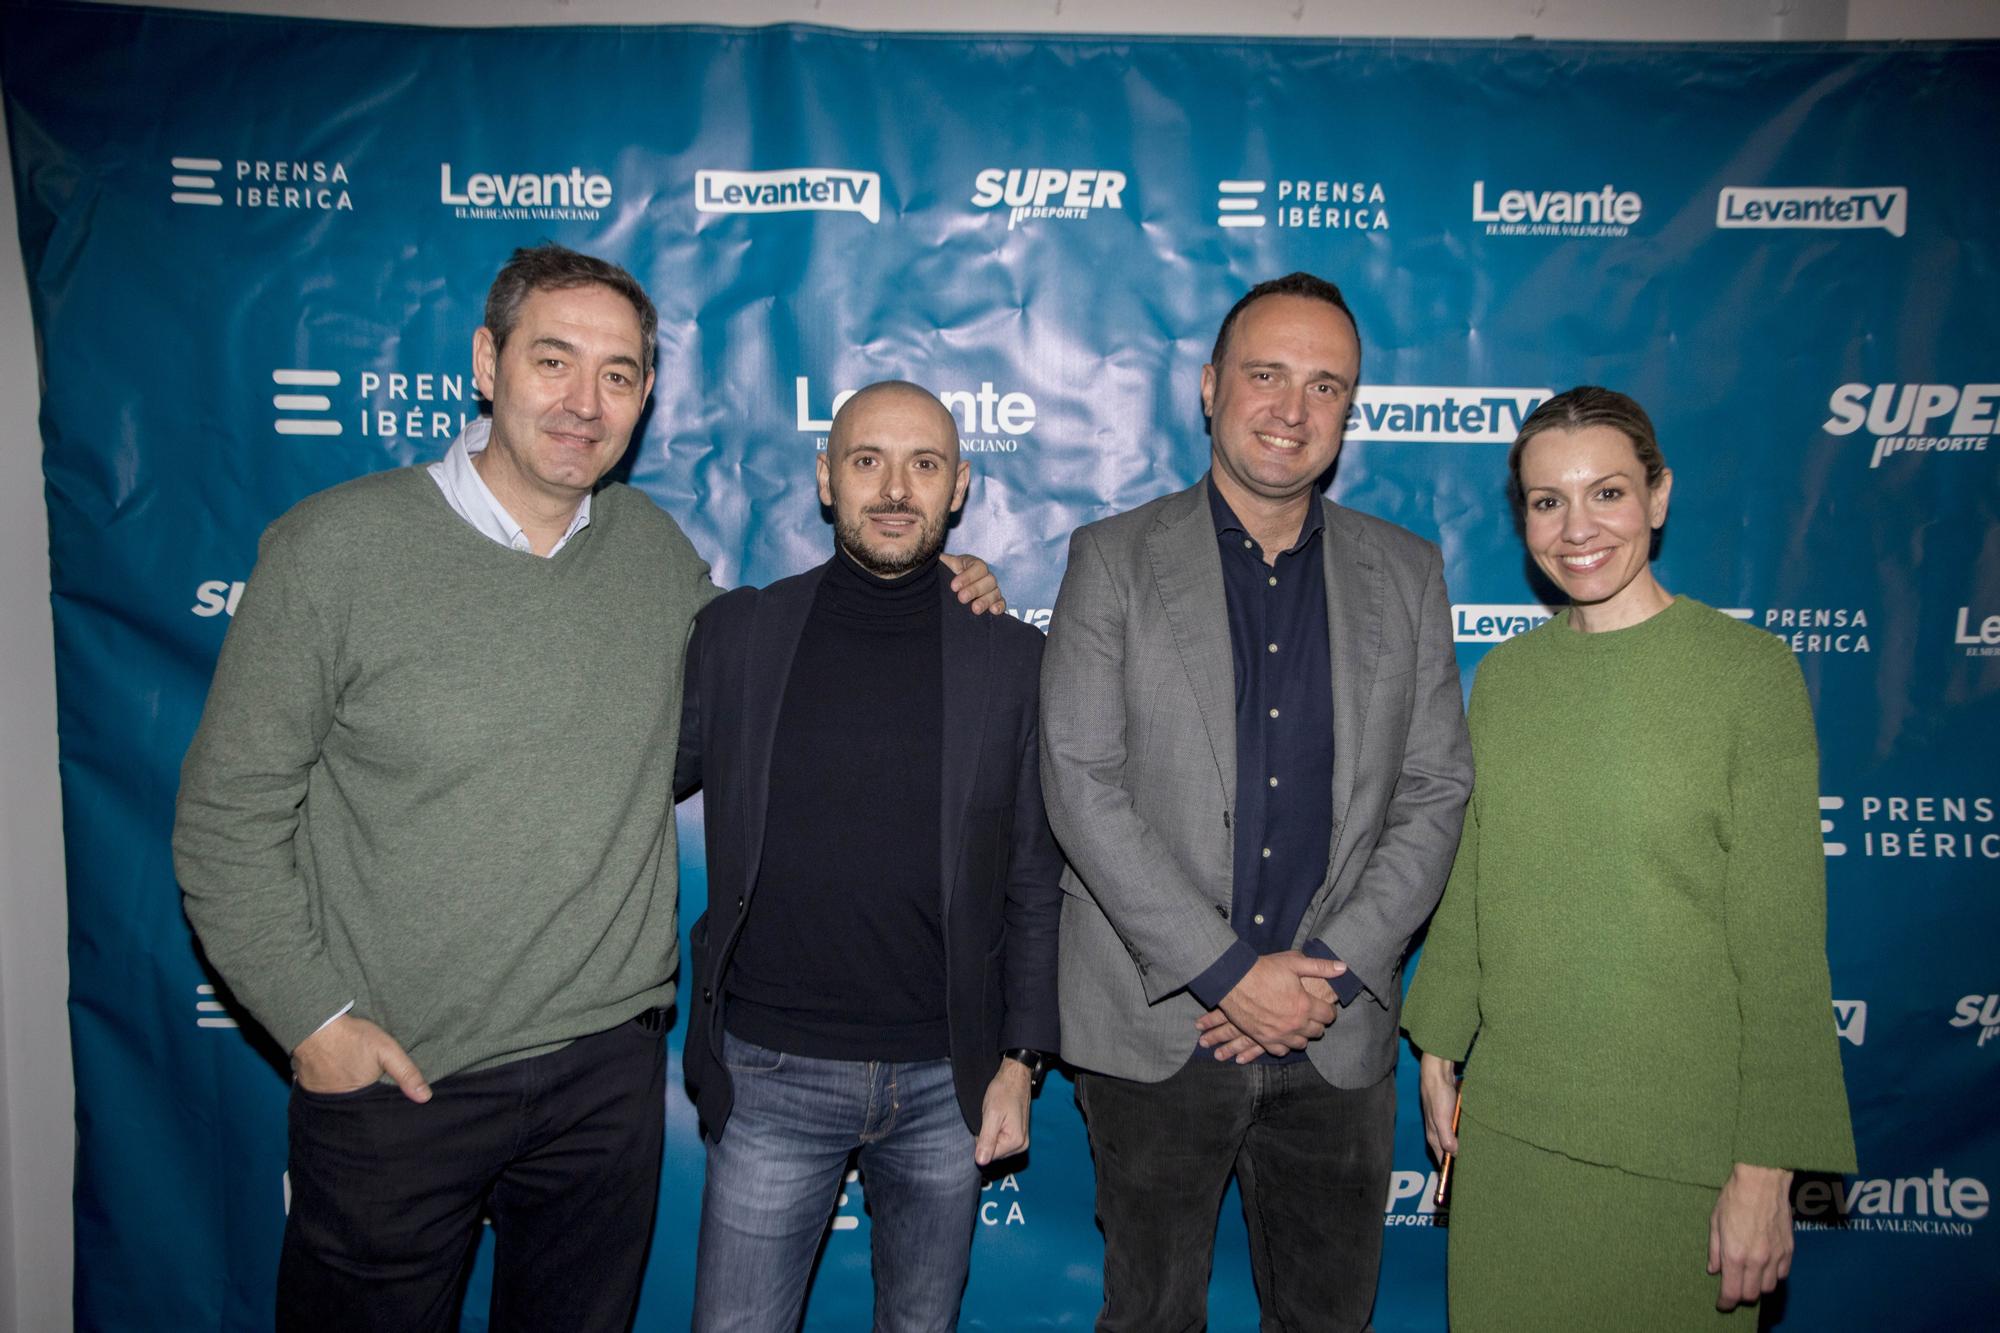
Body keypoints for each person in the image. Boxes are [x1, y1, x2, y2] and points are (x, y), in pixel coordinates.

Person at [171, 246, 1001, 1333]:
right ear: (486, 360)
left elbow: (766, 712)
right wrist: (317, 1022)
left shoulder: (656, 558)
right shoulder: (335, 549)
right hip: (398, 1076)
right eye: (553, 360)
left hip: (603, 1082)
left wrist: (934, 592)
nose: (582, 401)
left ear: (646, 396)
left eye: (617, 374)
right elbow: (225, 819)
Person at [1039, 272, 1473, 1331]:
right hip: (1160, 1028)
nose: (1291, 409)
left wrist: (1315, 976)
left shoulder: (1407, 572)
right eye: (1265, 375)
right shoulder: (1113, 558)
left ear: (1348, 410)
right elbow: (1079, 783)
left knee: (1326, 1318)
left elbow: (1432, 788)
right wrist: (1229, 974)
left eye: (1325, 386)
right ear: (1206, 386)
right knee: (1151, 1316)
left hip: (1335, 1030)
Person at [1402, 385, 1856, 1329]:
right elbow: (1476, 881)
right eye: (1546, 500)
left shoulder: (1749, 675)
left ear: (1659, 496)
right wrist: (1437, 1040)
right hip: (1514, 1145)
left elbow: (1781, 948)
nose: (1576, 529)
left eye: (1606, 493)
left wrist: (1765, 1172)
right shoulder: (1510, 680)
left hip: (1684, 1162)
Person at [677, 381, 1062, 1333]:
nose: (895, 489)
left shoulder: (1012, 658)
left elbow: (1033, 875)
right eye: (867, 461)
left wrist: (1022, 1058)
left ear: (959, 487)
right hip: (769, 1071)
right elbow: (622, 785)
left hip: (947, 1078)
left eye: (924, 465)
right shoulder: (740, 633)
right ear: (825, 479)